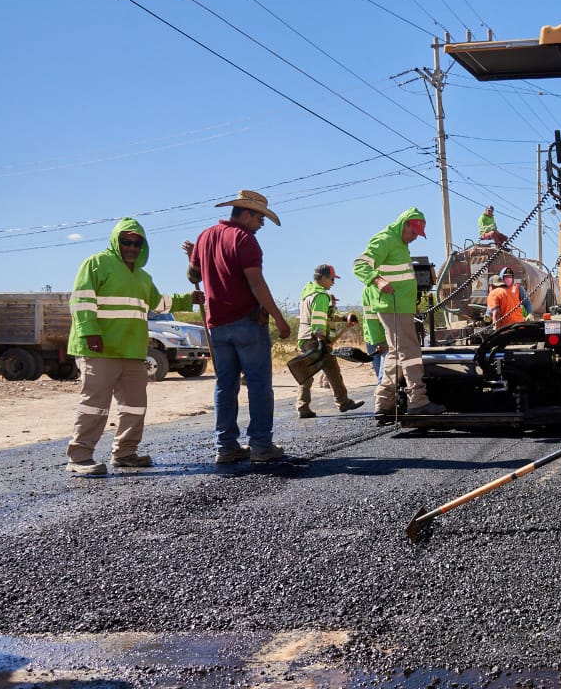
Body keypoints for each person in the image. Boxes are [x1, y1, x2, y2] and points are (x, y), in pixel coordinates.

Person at [65, 218, 199, 476]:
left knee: (134, 405)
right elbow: (81, 303)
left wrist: (189, 299)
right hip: (100, 348)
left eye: (137, 243)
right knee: (95, 405)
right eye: (126, 241)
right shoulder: (96, 264)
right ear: (116, 241)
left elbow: (159, 304)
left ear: (143, 246)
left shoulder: (142, 276)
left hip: (133, 350)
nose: (131, 247)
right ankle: (80, 457)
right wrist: (90, 332)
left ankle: (125, 453)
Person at [185, 189, 291, 464]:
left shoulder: (205, 236)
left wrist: (193, 256)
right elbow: (256, 283)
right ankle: (260, 445)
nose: (261, 225)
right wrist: (278, 317)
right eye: (260, 219)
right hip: (246, 322)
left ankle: (226, 446)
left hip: (217, 326)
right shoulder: (245, 240)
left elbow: (193, 275)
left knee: (225, 386)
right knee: (258, 385)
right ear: (246, 214)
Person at [353, 207, 445, 424]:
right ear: (404, 225)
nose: (414, 238)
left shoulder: (400, 245)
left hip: (400, 307)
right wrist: (378, 280)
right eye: (412, 233)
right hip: (392, 307)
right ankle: (418, 401)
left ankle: (384, 403)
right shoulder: (385, 239)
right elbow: (359, 265)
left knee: (396, 354)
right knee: (410, 353)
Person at [296, 264, 364, 418]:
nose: (333, 282)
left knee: (308, 374)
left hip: (305, 338)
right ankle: (343, 402)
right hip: (316, 339)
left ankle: (303, 407)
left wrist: (344, 317)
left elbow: (327, 316)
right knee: (332, 370)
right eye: (332, 279)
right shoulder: (321, 296)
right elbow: (319, 319)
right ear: (323, 278)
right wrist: (321, 339)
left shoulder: (308, 293)